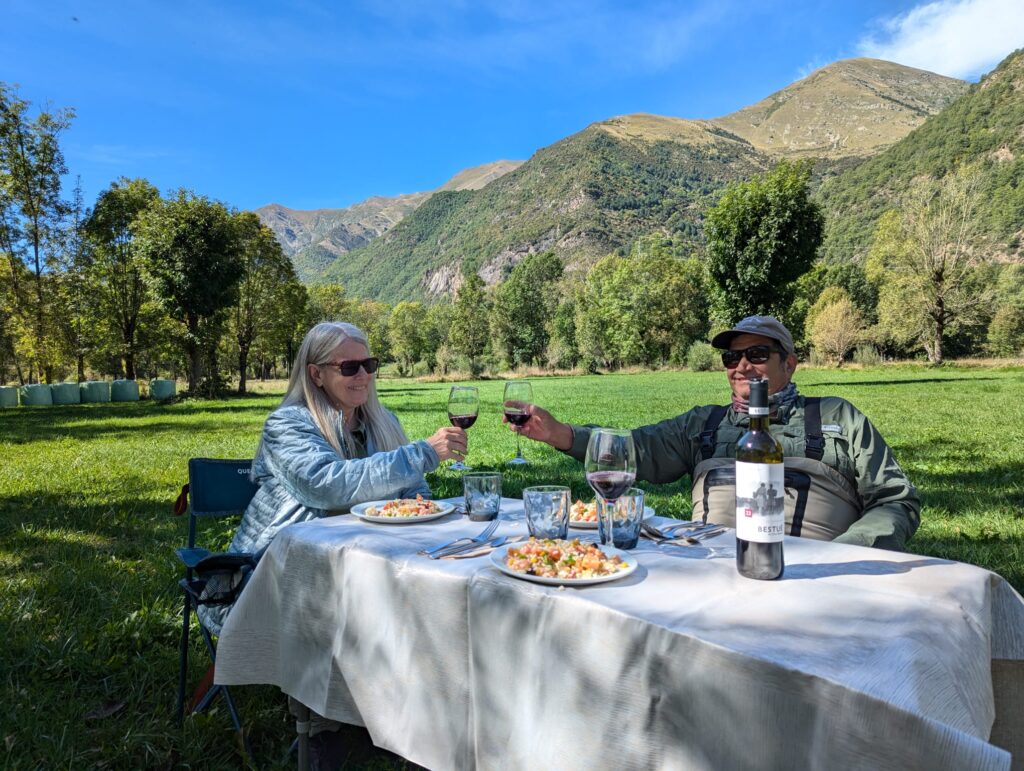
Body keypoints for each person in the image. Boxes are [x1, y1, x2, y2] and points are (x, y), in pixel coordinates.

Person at [199, 321, 466, 769]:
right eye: (349, 366)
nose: (362, 374)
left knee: (434, 586)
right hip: (272, 573)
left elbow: (415, 491)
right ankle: (322, 722)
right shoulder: (287, 425)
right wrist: (420, 453)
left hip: (370, 560)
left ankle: (425, 712)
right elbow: (326, 485)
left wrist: (417, 497)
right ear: (316, 373)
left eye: (368, 364)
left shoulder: (383, 423)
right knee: (332, 594)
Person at [506, 315, 920, 550]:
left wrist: (845, 554)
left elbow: (895, 501)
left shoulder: (837, 418)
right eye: (731, 356)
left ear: (789, 364)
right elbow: (637, 450)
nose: (742, 366)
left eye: (757, 354)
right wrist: (558, 433)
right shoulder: (704, 423)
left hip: (815, 573)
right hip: (707, 571)